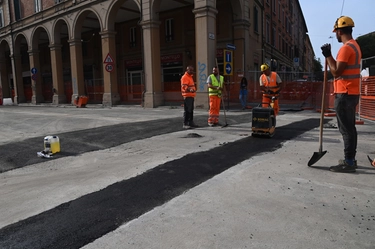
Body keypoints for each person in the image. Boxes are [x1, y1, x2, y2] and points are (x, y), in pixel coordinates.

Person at [321, 16, 362, 173]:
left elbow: (336, 72)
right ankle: (350, 159)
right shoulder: (355, 46)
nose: (336, 35)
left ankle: (349, 162)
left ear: (339, 31)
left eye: (336, 32)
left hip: (344, 94)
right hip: (351, 93)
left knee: (346, 129)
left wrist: (328, 56)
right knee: (350, 128)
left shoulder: (346, 48)